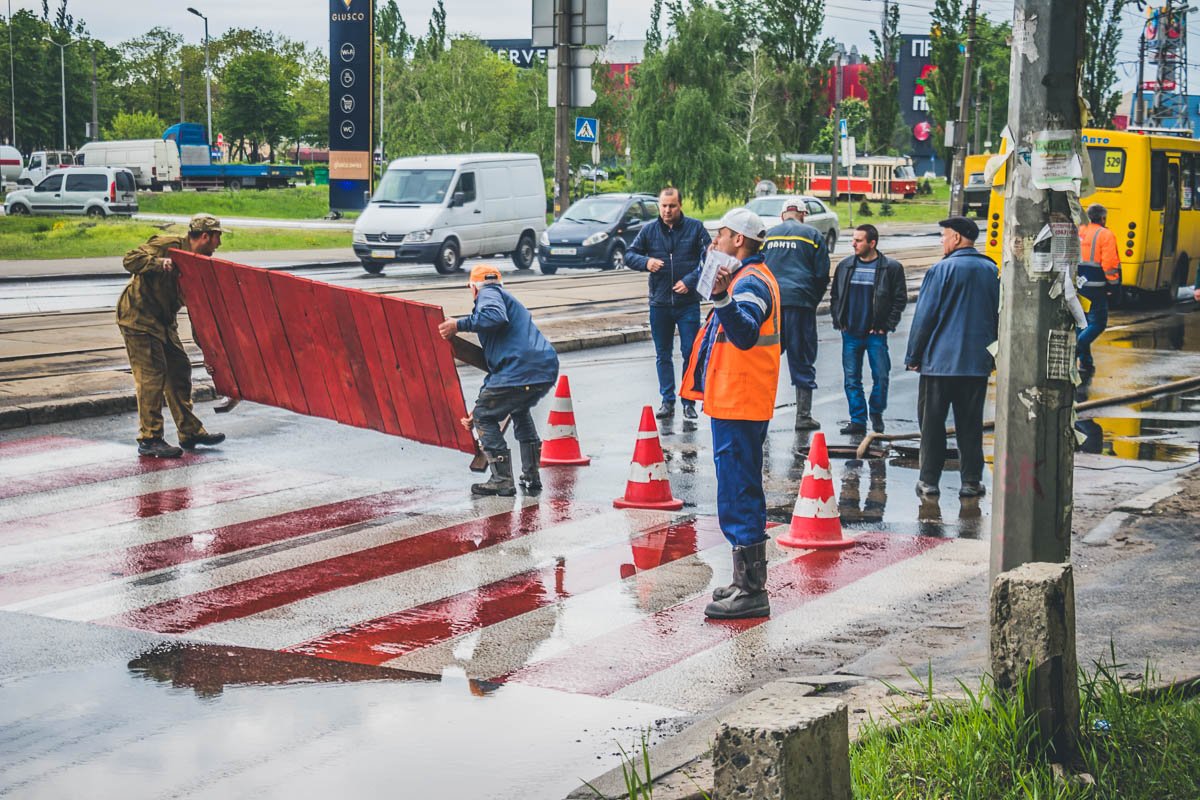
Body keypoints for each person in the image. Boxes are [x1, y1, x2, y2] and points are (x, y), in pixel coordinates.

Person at [681, 208, 781, 620]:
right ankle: (744, 580)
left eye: (719, 235)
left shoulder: (752, 281)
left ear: (738, 240)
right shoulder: (748, 278)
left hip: (740, 402)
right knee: (737, 487)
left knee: (739, 490)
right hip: (734, 400)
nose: (713, 243)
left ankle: (751, 589)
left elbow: (744, 333)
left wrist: (721, 298)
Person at [438, 264, 559, 497]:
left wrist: (458, 325)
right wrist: (480, 405)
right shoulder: (504, 296)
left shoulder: (488, 293)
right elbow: (498, 373)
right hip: (543, 368)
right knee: (518, 409)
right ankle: (531, 476)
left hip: (520, 370)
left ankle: (502, 480)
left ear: (473, 287)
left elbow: (494, 316)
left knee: (486, 416)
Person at [904, 216, 999, 499]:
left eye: (944, 236)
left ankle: (929, 481)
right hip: (975, 365)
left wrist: (914, 355)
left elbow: (925, 317)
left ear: (957, 238)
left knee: (932, 425)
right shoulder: (992, 271)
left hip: (939, 363)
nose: (942, 241)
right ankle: (971, 482)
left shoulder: (941, 270)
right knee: (970, 426)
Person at [118, 213, 227, 459]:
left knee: (179, 369)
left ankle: (189, 431)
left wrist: (209, 353)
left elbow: (199, 313)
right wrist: (160, 263)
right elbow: (130, 259)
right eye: (217, 238)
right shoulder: (169, 246)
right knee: (151, 376)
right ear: (205, 236)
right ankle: (150, 438)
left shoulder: (198, 266)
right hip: (138, 317)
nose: (219, 245)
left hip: (164, 322)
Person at [625, 187, 712, 421]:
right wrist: (646, 262)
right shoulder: (650, 230)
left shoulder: (695, 228)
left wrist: (690, 281)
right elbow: (629, 254)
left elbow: (709, 258)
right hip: (660, 303)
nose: (666, 210)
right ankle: (667, 400)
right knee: (662, 354)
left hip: (687, 303)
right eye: (663, 206)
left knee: (688, 352)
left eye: (671, 206)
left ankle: (688, 401)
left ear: (680, 205)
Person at [830, 224, 907, 435]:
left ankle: (876, 412)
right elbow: (836, 296)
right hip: (851, 333)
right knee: (851, 379)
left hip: (876, 334)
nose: (853, 244)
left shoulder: (891, 268)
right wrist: (839, 319)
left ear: (872, 243)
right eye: (853, 240)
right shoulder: (845, 266)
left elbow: (899, 300)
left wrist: (887, 325)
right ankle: (858, 420)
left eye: (858, 240)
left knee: (881, 376)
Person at [762, 198, 831, 430]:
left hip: (771, 306)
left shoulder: (769, 236)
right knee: (802, 358)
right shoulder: (812, 236)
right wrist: (811, 300)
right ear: (802, 214)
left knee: (765, 359)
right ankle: (803, 416)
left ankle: (761, 412)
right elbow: (822, 275)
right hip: (800, 305)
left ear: (783, 215)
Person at [1076, 203, 1122, 377]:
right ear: (1103, 218)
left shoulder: (1080, 231)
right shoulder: (1105, 234)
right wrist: (1113, 285)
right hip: (1096, 285)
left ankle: (1086, 362)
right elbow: (1110, 264)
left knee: (1083, 322)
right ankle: (1076, 348)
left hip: (1079, 284)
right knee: (1098, 323)